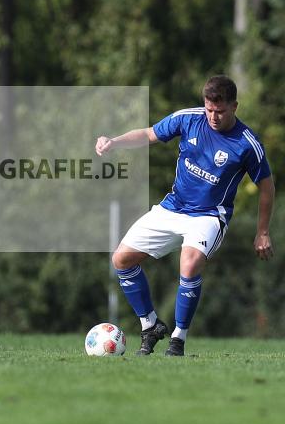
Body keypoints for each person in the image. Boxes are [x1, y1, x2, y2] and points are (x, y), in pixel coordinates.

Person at [95, 75, 274, 357]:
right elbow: (148, 134)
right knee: (121, 259)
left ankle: (178, 338)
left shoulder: (246, 143)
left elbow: (266, 186)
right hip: (172, 207)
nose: (213, 117)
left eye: (220, 111)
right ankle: (150, 325)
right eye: (209, 109)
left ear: (234, 107)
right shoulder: (188, 119)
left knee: (188, 265)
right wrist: (114, 142)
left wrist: (262, 231)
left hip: (209, 216)